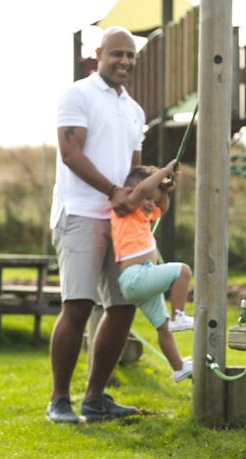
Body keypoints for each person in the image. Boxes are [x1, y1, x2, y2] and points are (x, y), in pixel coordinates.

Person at [46, 26, 146, 423]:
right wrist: (112, 191)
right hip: (81, 213)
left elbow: (134, 170)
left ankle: (95, 398)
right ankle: (59, 400)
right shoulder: (78, 94)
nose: (124, 61)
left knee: (122, 306)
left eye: (130, 56)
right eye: (117, 54)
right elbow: (70, 152)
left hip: (122, 221)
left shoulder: (135, 109)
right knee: (78, 305)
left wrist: (153, 187)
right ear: (99, 53)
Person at [111, 164, 194, 382]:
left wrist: (164, 192)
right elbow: (140, 191)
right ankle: (179, 316)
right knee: (183, 272)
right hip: (135, 276)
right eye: (147, 198)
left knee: (162, 327)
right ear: (131, 192)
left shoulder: (143, 215)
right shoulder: (124, 209)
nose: (150, 203)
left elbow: (162, 207)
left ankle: (178, 368)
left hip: (141, 279)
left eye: (151, 199)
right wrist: (164, 172)